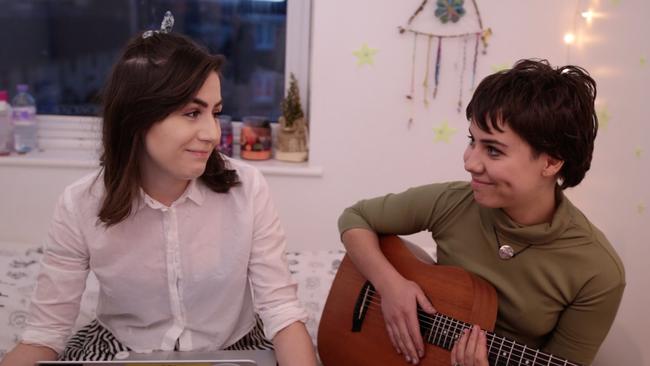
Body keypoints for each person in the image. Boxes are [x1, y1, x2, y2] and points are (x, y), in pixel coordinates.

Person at [1, 25, 317, 366]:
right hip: (121, 346)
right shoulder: (80, 204)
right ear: (137, 118)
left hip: (233, 344)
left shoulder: (247, 187)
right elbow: (45, 332)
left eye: (216, 112)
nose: (212, 133)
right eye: (192, 113)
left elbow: (281, 309)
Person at [338, 59, 625, 366]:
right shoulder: (454, 201)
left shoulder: (599, 273)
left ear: (551, 162)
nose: (470, 163)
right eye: (472, 141)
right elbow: (355, 218)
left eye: (493, 150)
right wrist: (390, 286)